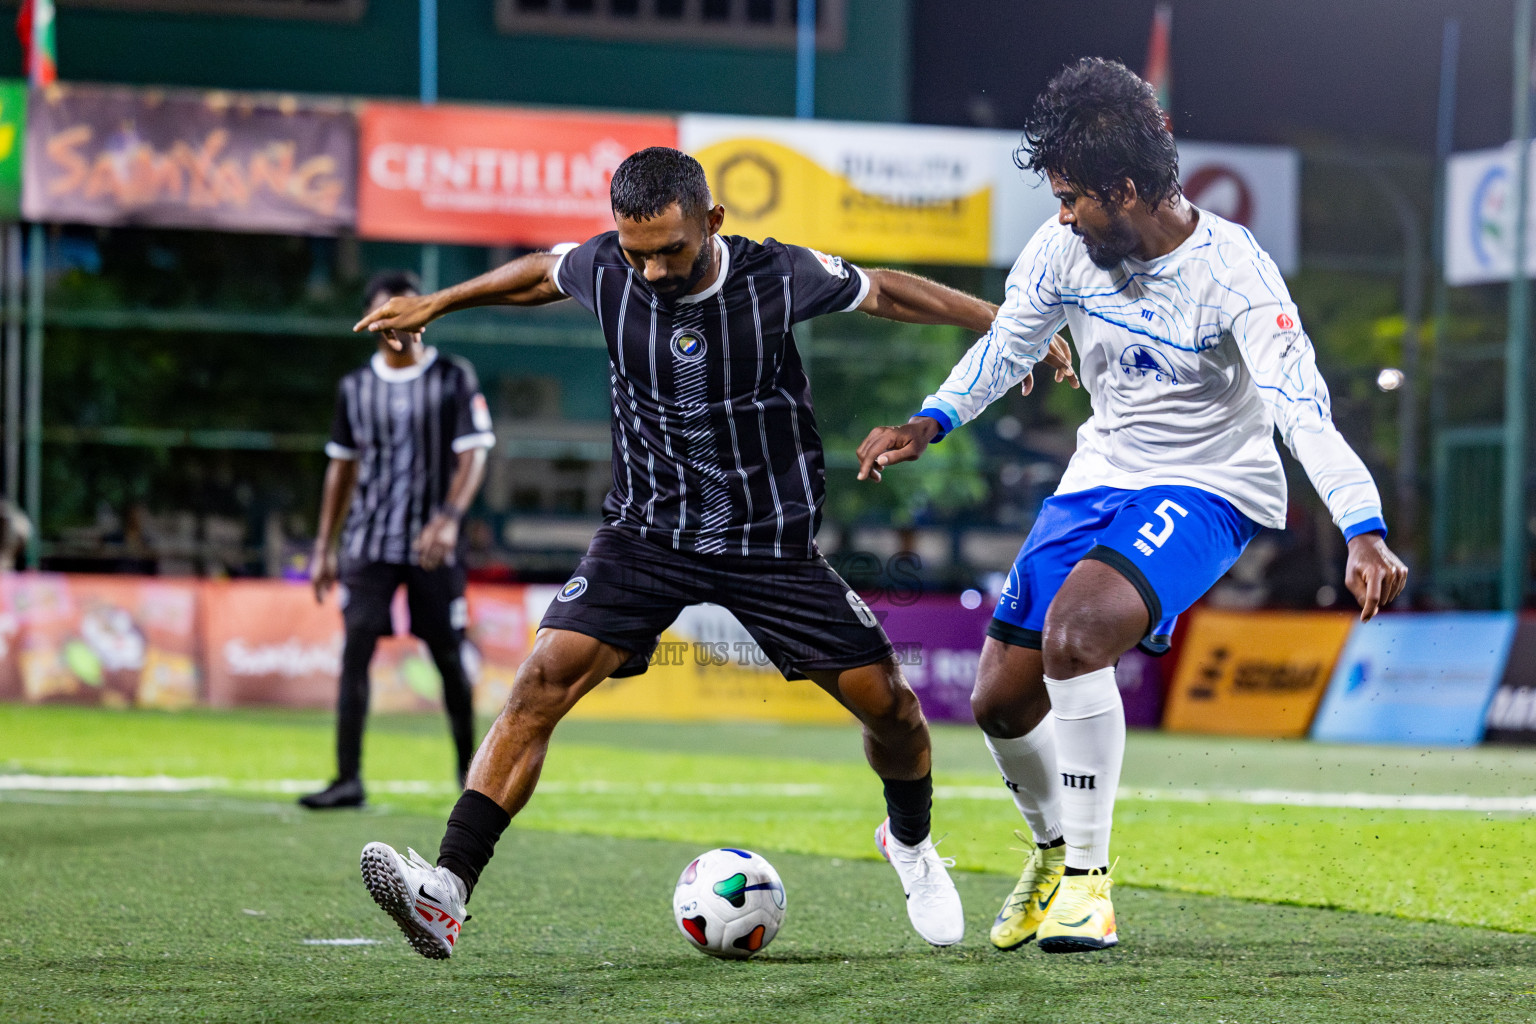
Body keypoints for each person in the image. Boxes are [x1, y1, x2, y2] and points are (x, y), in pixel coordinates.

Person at [350, 146, 1076, 957]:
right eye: (637, 252)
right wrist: (437, 304)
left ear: (713, 222)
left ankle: (908, 843)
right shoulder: (605, 268)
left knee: (893, 709)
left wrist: (1006, 328)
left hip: (767, 542)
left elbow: (888, 291)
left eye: (671, 249)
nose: (653, 270)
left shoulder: (777, 275)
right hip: (646, 533)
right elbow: (533, 274)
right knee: (539, 682)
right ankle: (446, 889)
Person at [856, 58, 1408, 955]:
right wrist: (933, 419)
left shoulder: (1236, 273)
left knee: (1078, 633)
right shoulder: (1062, 248)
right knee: (998, 698)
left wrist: (1363, 526)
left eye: (1073, 196)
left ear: (1124, 187)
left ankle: (1089, 882)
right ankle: (1049, 852)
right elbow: (1009, 345)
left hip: (1211, 485)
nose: (1061, 213)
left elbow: (1302, 412)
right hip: (1100, 472)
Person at [299, 270, 496, 810]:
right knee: (355, 649)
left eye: (409, 311)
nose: (399, 325)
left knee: (449, 658)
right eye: (388, 314)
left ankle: (474, 780)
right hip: (368, 542)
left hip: (434, 544)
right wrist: (324, 545)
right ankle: (347, 779)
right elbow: (340, 470)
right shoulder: (354, 389)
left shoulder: (454, 376)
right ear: (371, 322)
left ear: (425, 315)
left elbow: (474, 452)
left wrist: (450, 516)